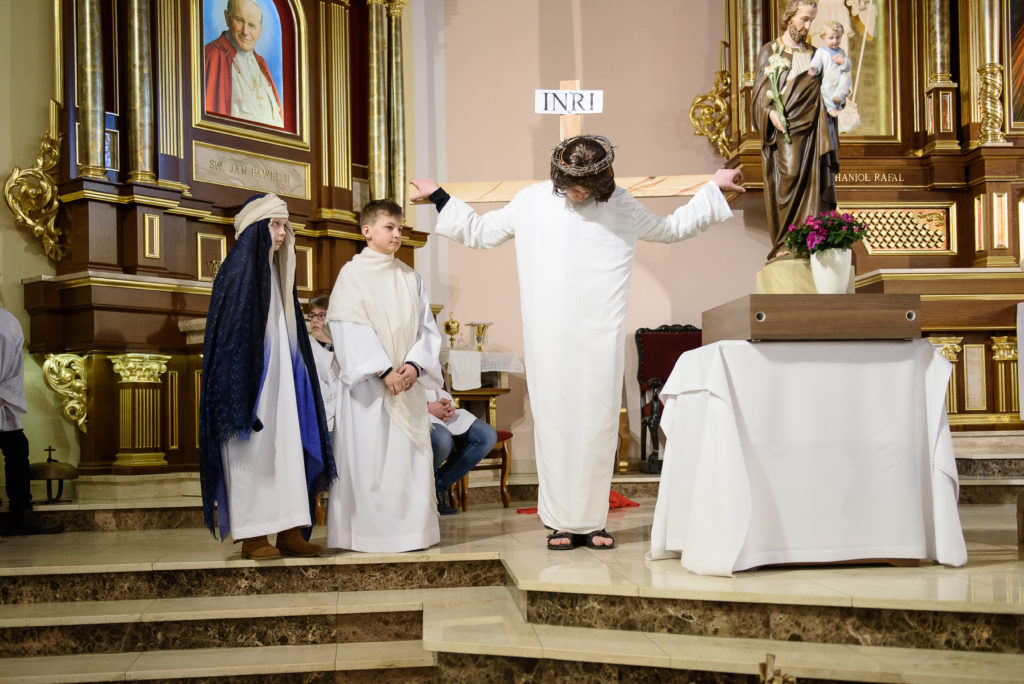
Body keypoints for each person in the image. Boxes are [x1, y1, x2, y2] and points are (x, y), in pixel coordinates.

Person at [410, 134, 743, 551]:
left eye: (586, 187)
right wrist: (439, 195)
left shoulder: (620, 204)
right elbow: (480, 232)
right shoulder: (531, 202)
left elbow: (670, 229)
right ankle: (562, 523)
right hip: (548, 335)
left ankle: (592, 521)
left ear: (603, 181)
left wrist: (714, 189)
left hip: (599, 335)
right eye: (570, 186)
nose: (578, 194)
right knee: (555, 423)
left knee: (597, 424)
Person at [199, 193, 335, 560]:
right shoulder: (234, 275)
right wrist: (238, 395)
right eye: (275, 225)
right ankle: (254, 536)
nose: (282, 233)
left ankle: (290, 531)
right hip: (251, 391)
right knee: (253, 460)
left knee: (288, 453)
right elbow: (228, 343)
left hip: (283, 388)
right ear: (255, 229)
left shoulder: (279, 277)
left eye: (285, 226)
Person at [325, 199, 444, 553]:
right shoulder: (352, 275)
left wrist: (414, 366)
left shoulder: (410, 277)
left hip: (406, 386)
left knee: (406, 464)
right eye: (389, 227)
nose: (396, 234)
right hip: (369, 391)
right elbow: (347, 326)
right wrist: (382, 370)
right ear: (367, 230)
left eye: (399, 228)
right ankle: (367, 535)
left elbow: (426, 329)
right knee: (370, 461)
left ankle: (412, 534)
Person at [752, 0, 837, 259]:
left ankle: (812, 240)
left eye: (811, 20)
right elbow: (758, 94)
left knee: (815, 181)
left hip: (814, 129)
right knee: (788, 178)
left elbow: (828, 87)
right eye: (803, 19)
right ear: (789, 17)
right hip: (786, 130)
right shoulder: (771, 50)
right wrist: (770, 113)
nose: (807, 26)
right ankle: (787, 242)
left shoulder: (816, 54)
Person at [0, 308, 62, 537]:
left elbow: (13, 367)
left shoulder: (7, 323)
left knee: (17, 449)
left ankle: (21, 514)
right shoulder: (8, 322)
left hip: (3, 400)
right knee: (16, 447)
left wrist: (4, 394)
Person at [204, 0, 284, 128]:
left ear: (260, 30)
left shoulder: (260, 64)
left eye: (252, 25)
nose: (245, 32)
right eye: (239, 20)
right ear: (227, 19)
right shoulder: (211, 56)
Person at [428, 387, 497, 515]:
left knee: (487, 437)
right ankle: (427, 488)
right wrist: (427, 407)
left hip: (441, 405)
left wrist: (446, 405)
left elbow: (437, 381)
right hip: (418, 411)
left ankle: (439, 485)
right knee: (443, 440)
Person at [807, 21, 852, 150]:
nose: (835, 41)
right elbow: (816, 63)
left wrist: (843, 61)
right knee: (825, 89)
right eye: (831, 38)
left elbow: (847, 67)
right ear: (823, 38)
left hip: (839, 78)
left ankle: (839, 97)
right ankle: (831, 107)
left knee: (846, 80)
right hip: (828, 79)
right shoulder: (821, 51)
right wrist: (814, 69)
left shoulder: (841, 51)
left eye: (838, 38)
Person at [307, 295, 339, 440]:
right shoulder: (308, 350)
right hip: (324, 424)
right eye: (312, 316)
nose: (314, 320)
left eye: (321, 315)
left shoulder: (342, 347)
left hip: (344, 421)